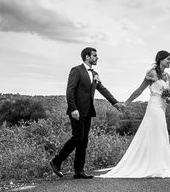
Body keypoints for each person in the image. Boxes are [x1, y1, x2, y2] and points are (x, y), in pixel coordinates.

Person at [99, 50, 170, 178]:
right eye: (168, 59)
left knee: (161, 133)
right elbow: (140, 90)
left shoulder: (167, 76)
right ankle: (151, 166)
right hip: (154, 106)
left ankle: (159, 166)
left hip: (162, 107)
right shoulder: (152, 73)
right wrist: (126, 103)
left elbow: (168, 95)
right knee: (157, 132)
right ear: (161, 59)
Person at [50, 47, 123, 179]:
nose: (97, 58)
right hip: (77, 110)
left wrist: (115, 103)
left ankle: (79, 171)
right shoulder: (76, 70)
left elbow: (102, 89)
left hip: (88, 111)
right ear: (87, 57)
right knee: (77, 137)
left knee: (84, 140)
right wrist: (73, 108)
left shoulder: (95, 73)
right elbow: (70, 90)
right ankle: (56, 161)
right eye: (94, 55)